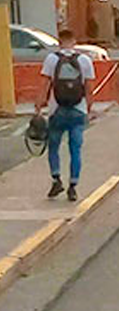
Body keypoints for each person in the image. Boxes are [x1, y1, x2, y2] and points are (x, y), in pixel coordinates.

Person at [36, 29, 95, 201]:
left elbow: (45, 84)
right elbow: (89, 88)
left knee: (53, 146)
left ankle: (56, 179)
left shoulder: (51, 59)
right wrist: (88, 109)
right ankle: (73, 186)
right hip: (78, 110)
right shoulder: (84, 60)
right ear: (74, 41)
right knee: (75, 149)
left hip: (57, 110)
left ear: (60, 41)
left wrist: (39, 104)